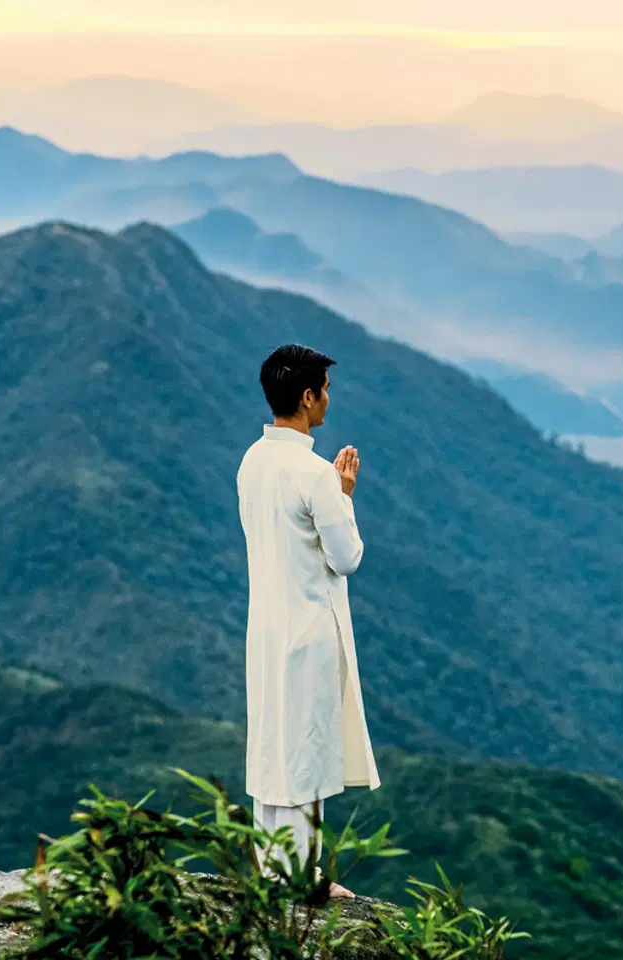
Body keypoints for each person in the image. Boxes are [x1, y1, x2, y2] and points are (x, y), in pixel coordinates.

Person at [236, 343, 381, 899]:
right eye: (325, 389)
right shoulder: (316, 473)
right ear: (306, 395)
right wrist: (343, 496)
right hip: (310, 629)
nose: (328, 399)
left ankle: (274, 870)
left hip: (267, 627)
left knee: (274, 747)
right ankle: (302, 882)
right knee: (306, 752)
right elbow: (346, 558)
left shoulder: (253, 461)